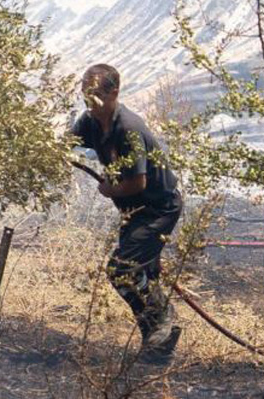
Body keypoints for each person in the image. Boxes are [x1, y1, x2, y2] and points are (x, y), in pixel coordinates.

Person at [72, 64, 183, 364]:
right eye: (85, 95)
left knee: (122, 270)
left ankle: (162, 320)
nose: (89, 102)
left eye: (95, 95)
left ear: (114, 93)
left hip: (158, 209)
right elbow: (67, 143)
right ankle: (157, 347)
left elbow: (137, 182)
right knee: (142, 273)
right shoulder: (90, 121)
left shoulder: (129, 129)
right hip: (135, 210)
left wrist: (109, 191)